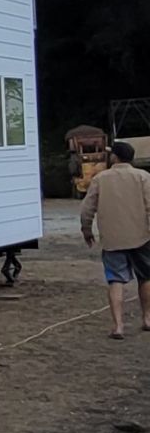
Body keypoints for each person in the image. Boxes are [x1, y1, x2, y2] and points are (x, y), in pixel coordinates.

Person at [80, 140, 150, 339]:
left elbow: (87, 209)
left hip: (112, 239)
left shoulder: (101, 179)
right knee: (146, 277)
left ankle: (118, 326)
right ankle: (147, 318)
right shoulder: (144, 177)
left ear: (115, 157)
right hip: (142, 236)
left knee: (115, 280)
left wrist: (86, 230)